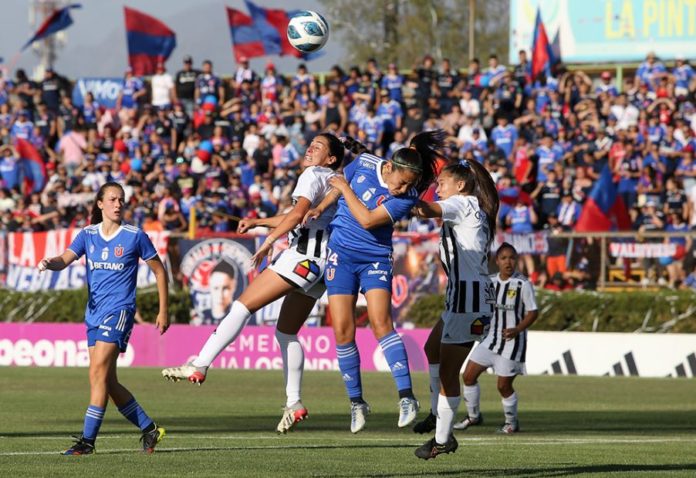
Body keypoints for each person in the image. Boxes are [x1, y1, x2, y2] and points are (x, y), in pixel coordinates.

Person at [161, 133, 344, 434]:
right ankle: (294, 402)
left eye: (319, 147)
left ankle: (200, 364)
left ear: (331, 157)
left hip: (298, 258)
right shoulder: (334, 180)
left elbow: (297, 215)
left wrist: (268, 241)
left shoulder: (311, 174)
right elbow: (295, 216)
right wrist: (259, 222)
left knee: (241, 306)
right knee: (286, 332)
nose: (311, 148)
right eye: (310, 143)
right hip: (320, 266)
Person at [309, 131, 444, 433]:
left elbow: (368, 219)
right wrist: (323, 205)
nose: (405, 188)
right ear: (390, 167)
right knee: (343, 329)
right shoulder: (366, 162)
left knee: (381, 323)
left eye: (411, 184)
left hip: (374, 259)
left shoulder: (406, 198)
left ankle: (407, 397)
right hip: (340, 254)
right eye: (402, 181)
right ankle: (357, 402)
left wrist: (344, 188)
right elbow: (337, 186)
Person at [37, 182, 170, 455]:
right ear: (100, 204)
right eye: (112, 199)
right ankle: (150, 429)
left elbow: (159, 271)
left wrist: (163, 310)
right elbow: (65, 259)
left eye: (121, 199)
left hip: (119, 311)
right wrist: (51, 262)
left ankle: (87, 441)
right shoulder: (88, 235)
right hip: (94, 314)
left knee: (97, 373)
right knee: (106, 382)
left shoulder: (135, 236)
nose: (118, 204)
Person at [410, 158, 499, 460]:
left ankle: (442, 439)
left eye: (441, 184)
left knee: (449, 372)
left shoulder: (461, 203)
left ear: (460, 186)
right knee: (432, 349)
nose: (438, 190)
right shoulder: (468, 205)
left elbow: (422, 209)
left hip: (469, 300)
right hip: (461, 297)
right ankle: (438, 416)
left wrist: (404, 184)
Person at [453, 242, 539, 434]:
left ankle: (511, 422)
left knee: (503, 386)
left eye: (512, 258)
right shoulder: (490, 282)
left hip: (512, 343)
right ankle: (473, 416)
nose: (509, 262)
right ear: (497, 261)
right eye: (504, 258)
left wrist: (517, 329)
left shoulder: (522, 284)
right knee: (468, 376)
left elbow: (533, 313)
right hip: (490, 340)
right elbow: (484, 309)